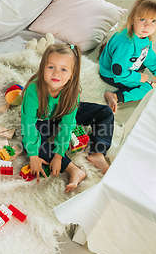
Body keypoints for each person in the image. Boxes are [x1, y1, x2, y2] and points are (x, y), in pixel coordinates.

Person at [21, 44, 114, 193]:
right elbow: (28, 125)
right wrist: (33, 156)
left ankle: (97, 153)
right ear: (42, 67)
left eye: (63, 69)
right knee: (30, 143)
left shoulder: (72, 93)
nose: (56, 73)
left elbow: (67, 124)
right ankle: (73, 169)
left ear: (71, 74)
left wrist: (59, 154)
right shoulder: (33, 92)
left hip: (62, 113)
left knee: (105, 111)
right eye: (51, 67)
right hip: (42, 120)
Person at [99, 0, 156, 113]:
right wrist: (139, 77)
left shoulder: (143, 36)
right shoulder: (127, 44)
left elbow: (148, 56)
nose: (147, 25)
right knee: (146, 88)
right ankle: (116, 96)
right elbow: (118, 72)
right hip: (111, 74)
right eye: (142, 19)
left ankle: (112, 53)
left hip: (123, 63)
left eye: (153, 21)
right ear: (133, 19)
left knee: (143, 60)